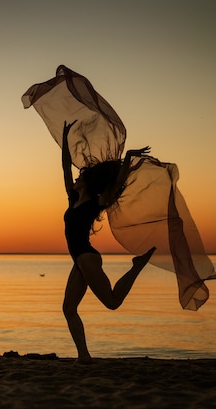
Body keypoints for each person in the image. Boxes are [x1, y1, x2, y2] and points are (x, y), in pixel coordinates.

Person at [61, 120, 156, 364]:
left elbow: (116, 185)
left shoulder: (98, 201)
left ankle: (137, 266)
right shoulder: (73, 199)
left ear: (88, 182)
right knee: (68, 309)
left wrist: (128, 158)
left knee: (112, 302)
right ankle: (83, 356)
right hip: (79, 260)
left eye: (81, 177)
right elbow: (64, 168)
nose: (76, 179)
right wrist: (64, 140)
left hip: (87, 257)